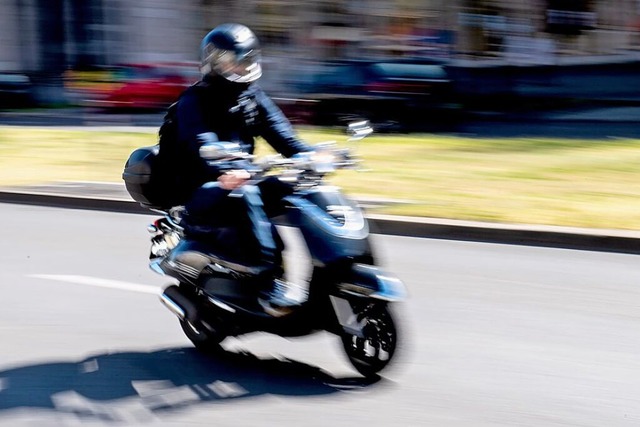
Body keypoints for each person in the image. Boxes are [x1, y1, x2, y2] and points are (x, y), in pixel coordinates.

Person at [170, 23, 313, 314]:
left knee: (301, 185)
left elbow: (284, 137)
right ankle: (267, 278)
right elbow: (202, 141)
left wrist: (313, 157)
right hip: (203, 187)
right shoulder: (193, 100)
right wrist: (224, 165)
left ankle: (331, 270)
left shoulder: (252, 96)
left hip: (243, 176)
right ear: (214, 62)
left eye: (247, 58)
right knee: (246, 194)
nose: (243, 65)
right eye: (234, 59)